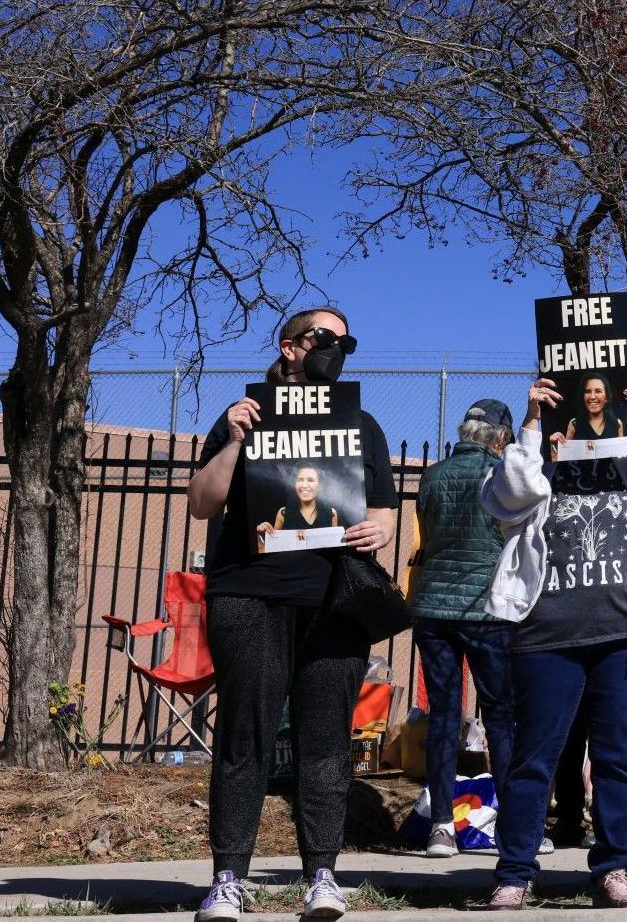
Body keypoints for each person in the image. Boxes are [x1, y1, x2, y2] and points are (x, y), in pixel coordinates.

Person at [184, 307, 397, 922]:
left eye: (344, 342)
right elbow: (202, 504)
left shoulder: (361, 423)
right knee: (243, 734)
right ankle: (228, 878)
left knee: (327, 738)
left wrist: (377, 533)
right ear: (290, 345)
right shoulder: (242, 414)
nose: (335, 349)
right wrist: (235, 444)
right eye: (323, 338)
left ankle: (322, 877)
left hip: (334, 601)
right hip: (248, 594)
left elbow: (382, 510)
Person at [478, 372, 627, 910]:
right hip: (545, 634)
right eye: (584, 391)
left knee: (618, 759)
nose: (594, 398)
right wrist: (532, 424)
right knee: (533, 759)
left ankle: (613, 868)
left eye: (603, 391)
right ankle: (515, 872)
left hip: (624, 632)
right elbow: (507, 496)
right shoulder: (540, 457)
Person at [409, 399, 520, 859]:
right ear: (498, 437)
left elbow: (427, 537)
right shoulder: (502, 476)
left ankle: (441, 827)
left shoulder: (432, 476)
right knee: (500, 716)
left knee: (444, 716)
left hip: (433, 608)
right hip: (487, 610)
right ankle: (514, 825)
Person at [564, 374, 625, 441]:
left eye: (598, 391)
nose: (592, 397)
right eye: (588, 391)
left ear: (606, 397)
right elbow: (566, 451)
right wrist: (554, 444)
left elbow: (622, 451)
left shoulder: (617, 424)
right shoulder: (574, 424)